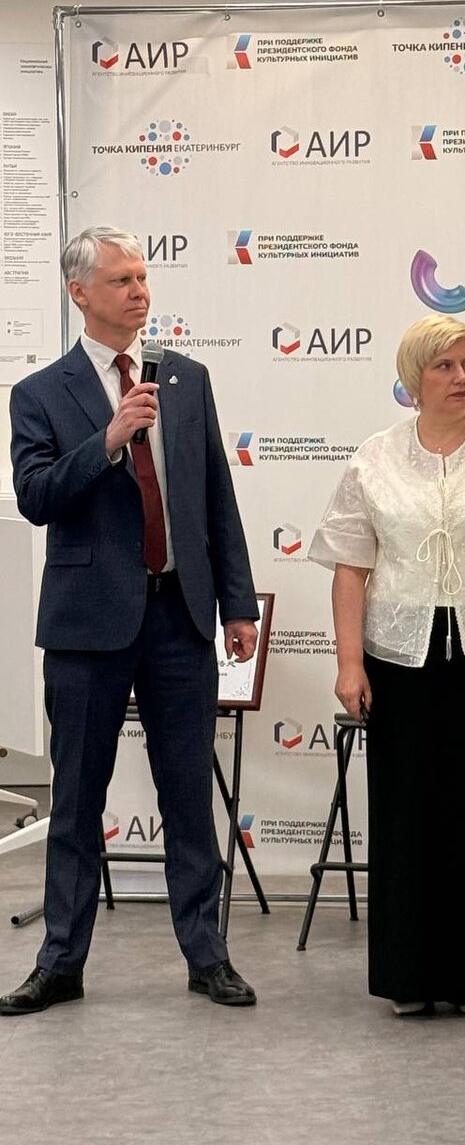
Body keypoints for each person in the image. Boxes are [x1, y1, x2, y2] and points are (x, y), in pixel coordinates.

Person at [1, 226, 260, 1015]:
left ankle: (207, 956)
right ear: (79, 292)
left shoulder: (184, 378)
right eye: (120, 280)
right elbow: (36, 497)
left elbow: (215, 494)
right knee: (78, 801)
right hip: (87, 627)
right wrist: (108, 440)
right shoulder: (39, 393)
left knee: (187, 795)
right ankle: (60, 963)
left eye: (142, 277)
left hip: (180, 617)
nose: (139, 291)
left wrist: (237, 603)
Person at [309, 313, 465, 1017]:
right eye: (445, 366)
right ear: (413, 378)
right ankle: (409, 977)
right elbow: (351, 567)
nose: (461, 378)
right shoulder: (374, 458)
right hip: (399, 658)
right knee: (405, 818)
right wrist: (349, 664)